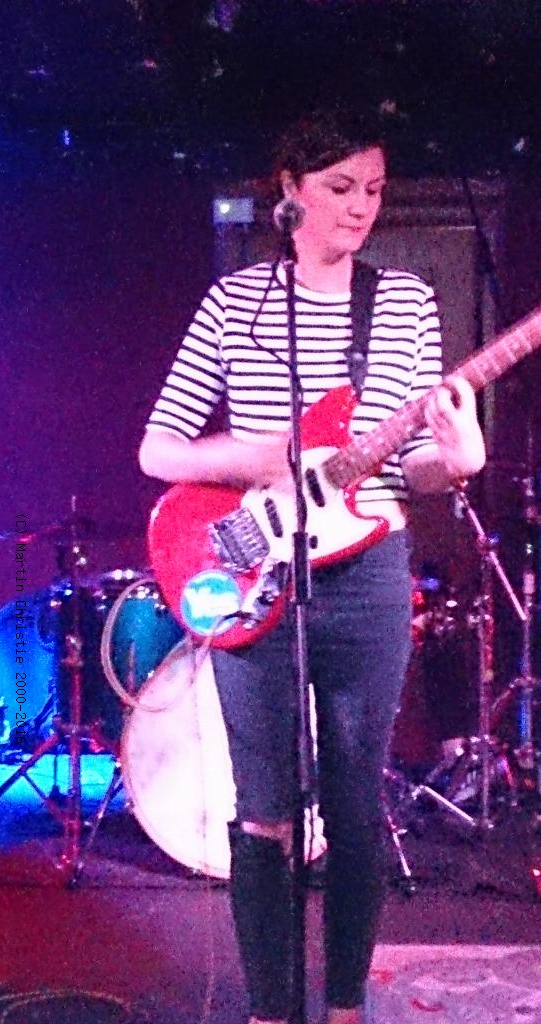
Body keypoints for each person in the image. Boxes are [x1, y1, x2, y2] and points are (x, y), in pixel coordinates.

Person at [139, 108, 486, 1024]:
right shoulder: (234, 302)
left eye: (373, 189)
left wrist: (454, 461)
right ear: (288, 191)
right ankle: (267, 1008)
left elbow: (415, 462)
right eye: (339, 188)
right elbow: (158, 451)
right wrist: (258, 455)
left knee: (355, 803)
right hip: (253, 571)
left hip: (368, 575)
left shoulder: (404, 302)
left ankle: (341, 1007)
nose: (361, 206)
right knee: (264, 808)